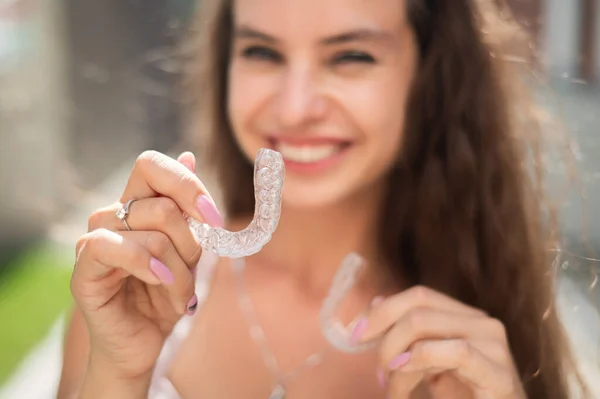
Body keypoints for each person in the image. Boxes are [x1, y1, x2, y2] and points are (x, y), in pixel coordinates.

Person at [57, 0, 590, 398]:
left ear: (430, 77)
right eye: (262, 51)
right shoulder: (133, 293)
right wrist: (117, 374)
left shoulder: (488, 332)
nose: (294, 108)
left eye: (351, 56)